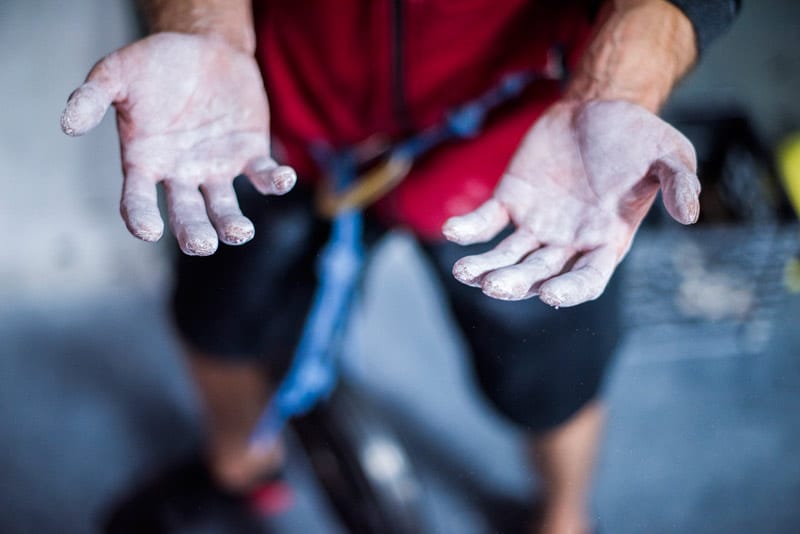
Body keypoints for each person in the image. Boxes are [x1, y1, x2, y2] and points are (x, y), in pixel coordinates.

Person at [61, 1, 739, 532]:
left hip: (523, 147)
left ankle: (563, 519)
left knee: (553, 375)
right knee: (220, 319)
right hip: (261, 113)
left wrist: (614, 91)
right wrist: (204, 28)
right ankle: (240, 467)